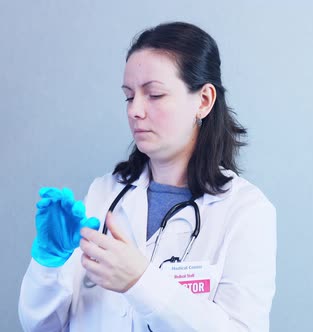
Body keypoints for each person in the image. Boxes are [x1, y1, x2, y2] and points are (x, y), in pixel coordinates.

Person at [18, 22, 276, 332]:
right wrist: (49, 266)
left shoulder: (245, 211)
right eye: (129, 97)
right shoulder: (104, 192)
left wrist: (140, 282)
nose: (135, 110)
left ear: (204, 101)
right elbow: (41, 326)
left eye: (154, 94)